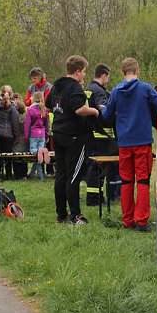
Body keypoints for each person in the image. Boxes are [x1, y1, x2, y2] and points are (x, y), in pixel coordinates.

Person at [101, 58, 157, 231]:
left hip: (124, 142)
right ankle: (141, 221)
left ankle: (127, 220)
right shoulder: (145, 89)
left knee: (126, 181)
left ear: (122, 72)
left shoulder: (115, 92)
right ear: (137, 71)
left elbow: (106, 116)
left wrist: (101, 109)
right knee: (142, 181)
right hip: (142, 141)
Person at [45, 55, 99, 225]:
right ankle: (76, 216)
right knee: (74, 176)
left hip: (58, 134)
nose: (84, 75)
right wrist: (94, 111)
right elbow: (79, 109)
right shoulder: (75, 87)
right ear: (77, 71)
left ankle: (61, 215)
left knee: (61, 175)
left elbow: (47, 107)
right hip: (74, 137)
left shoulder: (56, 86)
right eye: (83, 72)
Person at [85, 64, 119, 203]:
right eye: (108, 77)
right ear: (103, 75)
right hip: (101, 135)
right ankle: (94, 199)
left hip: (91, 133)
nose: (108, 80)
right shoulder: (99, 91)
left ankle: (95, 196)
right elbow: (104, 110)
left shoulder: (88, 89)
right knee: (99, 167)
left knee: (93, 166)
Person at [0, 86, 22, 181]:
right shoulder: (13, 107)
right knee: (8, 156)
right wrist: (16, 136)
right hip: (8, 134)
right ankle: (9, 174)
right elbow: (15, 122)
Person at [24, 91, 50, 180]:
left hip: (34, 134)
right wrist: (47, 135)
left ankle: (41, 176)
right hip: (42, 134)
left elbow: (27, 124)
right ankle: (32, 174)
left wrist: (26, 136)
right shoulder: (44, 109)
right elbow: (47, 124)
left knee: (35, 154)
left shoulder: (31, 110)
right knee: (39, 155)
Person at [11, 92, 29, 180]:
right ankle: (24, 174)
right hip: (24, 140)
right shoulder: (26, 118)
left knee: (16, 157)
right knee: (24, 158)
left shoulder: (14, 118)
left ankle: (17, 174)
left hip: (16, 139)